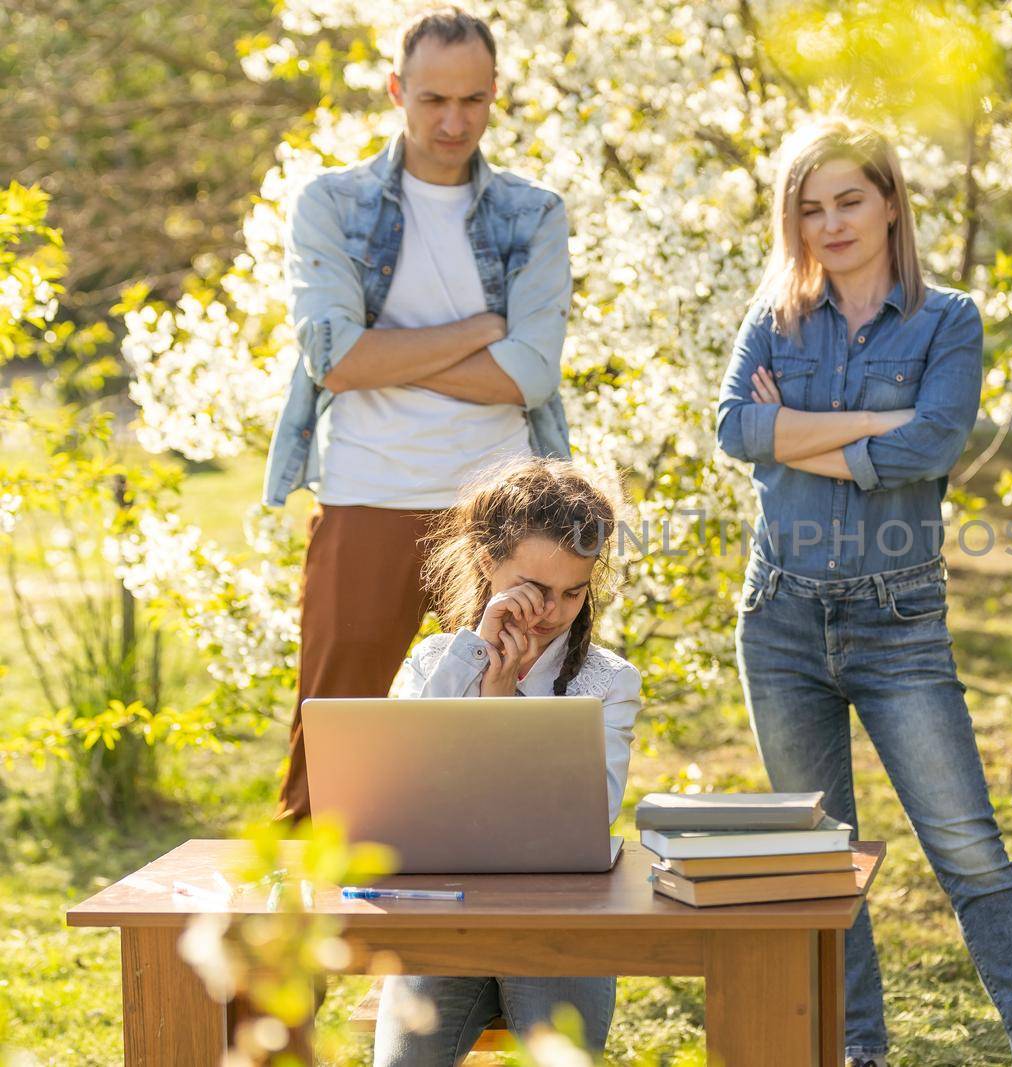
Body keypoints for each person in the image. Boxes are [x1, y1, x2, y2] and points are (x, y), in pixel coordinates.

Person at [715, 117, 1012, 1067]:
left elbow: (934, 444)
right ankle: (858, 1052)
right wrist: (873, 425)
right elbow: (732, 430)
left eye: (849, 200)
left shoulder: (947, 319)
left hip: (899, 623)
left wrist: (794, 427)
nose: (830, 223)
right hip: (780, 620)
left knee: (970, 854)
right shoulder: (775, 315)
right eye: (810, 206)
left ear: (889, 203)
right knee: (821, 865)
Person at [264, 6, 574, 822]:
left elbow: (532, 376)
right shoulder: (332, 205)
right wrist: (477, 334)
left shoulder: (532, 214)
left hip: (499, 511)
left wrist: (392, 353)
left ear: (495, 94)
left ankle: (493, 941)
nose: (453, 120)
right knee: (334, 745)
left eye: (473, 100)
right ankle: (313, 940)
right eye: (434, 99)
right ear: (397, 90)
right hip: (367, 491)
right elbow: (337, 359)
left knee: (504, 743)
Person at [372, 456, 640, 1063]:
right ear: (489, 563)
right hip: (443, 917)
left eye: (574, 592)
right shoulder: (434, 664)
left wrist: (502, 705)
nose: (552, 612)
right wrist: (478, 669)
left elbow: (588, 816)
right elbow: (403, 786)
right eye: (536, 589)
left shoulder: (608, 681)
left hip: (559, 922)